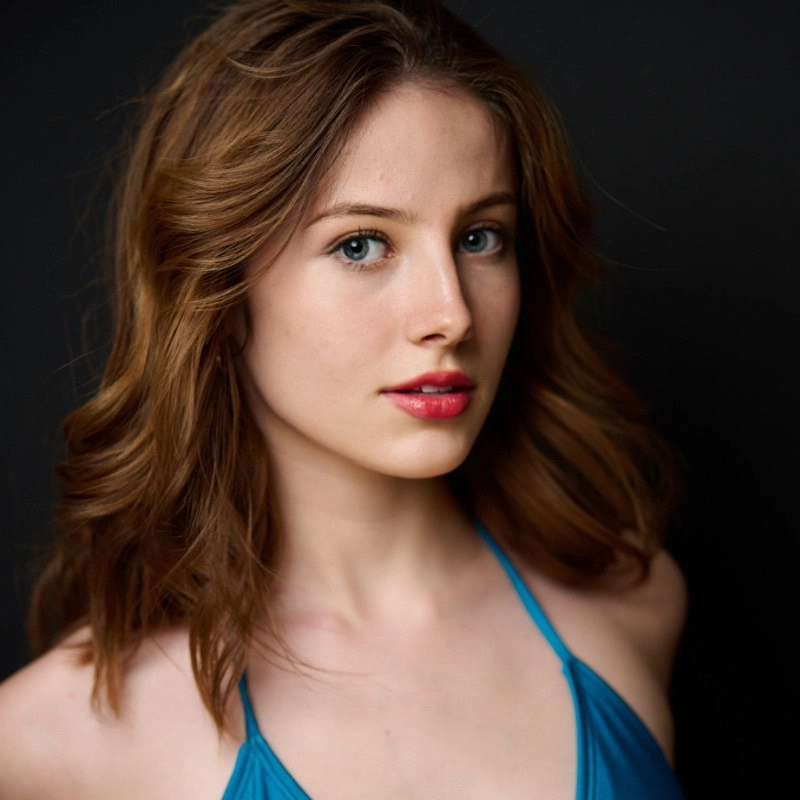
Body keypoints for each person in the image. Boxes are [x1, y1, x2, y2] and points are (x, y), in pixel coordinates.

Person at [0, 1, 688, 797]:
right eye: (361, 244)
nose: (452, 314)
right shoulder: (55, 739)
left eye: (480, 238)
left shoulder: (632, 603)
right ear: (216, 287)